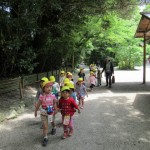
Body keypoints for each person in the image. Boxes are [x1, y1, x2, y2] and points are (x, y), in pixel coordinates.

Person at [34, 81, 57, 146]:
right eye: (47, 87)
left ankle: (54, 127)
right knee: (45, 126)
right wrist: (35, 111)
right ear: (43, 88)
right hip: (43, 113)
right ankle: (45, 138)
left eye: (50, 87)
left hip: (51, 113)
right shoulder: (41, 96)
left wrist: (56, 109)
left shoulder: (53, 95)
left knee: (52, 121)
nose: (49, 88)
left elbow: (55, 103)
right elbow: (38, 104)